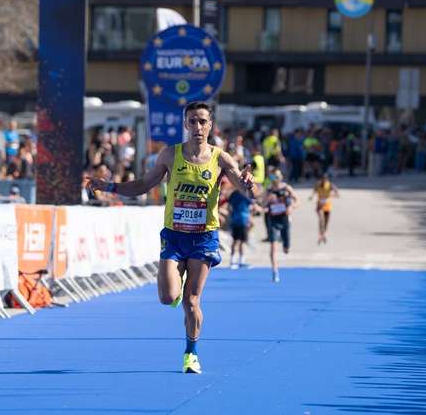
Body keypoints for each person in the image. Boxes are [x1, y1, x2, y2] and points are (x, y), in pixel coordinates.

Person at [87, 101, 255, 374]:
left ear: (210, 125)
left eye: (203, 121)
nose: (198, 126)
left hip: (203, 238)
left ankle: (191, 353)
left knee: (192, 302)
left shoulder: (221, 159)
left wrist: (248, 183)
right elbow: (143, 185)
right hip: (175, 237)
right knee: (168, 298)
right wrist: (110, 186)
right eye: (193, 121)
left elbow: (244, 186)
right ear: (186, 124)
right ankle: (176, 287)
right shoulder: (169, 155)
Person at [265, 169, 298, 282]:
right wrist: (267, 200)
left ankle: (286, 246)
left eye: (276, 177)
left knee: (286, 248)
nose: (275, 180)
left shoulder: (286, 188)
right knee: (273, 246)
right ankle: (275, 271)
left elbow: (297, 200)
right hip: (273, 219)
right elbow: (262, 203)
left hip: (284, 219)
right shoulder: (269, 190)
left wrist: (291, 207)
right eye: (273, 178)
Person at [225, 171, 257, 269]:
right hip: (239, 220)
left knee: (240, 241)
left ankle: (239, 260)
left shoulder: (239, 194)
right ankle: (234, 261)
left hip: (240, 220)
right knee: (238, 241)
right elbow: (251, 207)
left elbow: (251, 206)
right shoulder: (239, 194)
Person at [309, 172, 339, 245]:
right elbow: (314, 191)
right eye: (322, 179)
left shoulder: (330, 185)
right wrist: (312, 196)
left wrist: (333, 195)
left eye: (325, 179)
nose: (324, 180)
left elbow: (336, 192)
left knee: (326, 222)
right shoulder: (318, 184)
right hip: (319, 205)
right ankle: (320, 234)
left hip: (327, 205)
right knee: (321, 219)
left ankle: (324, 234)